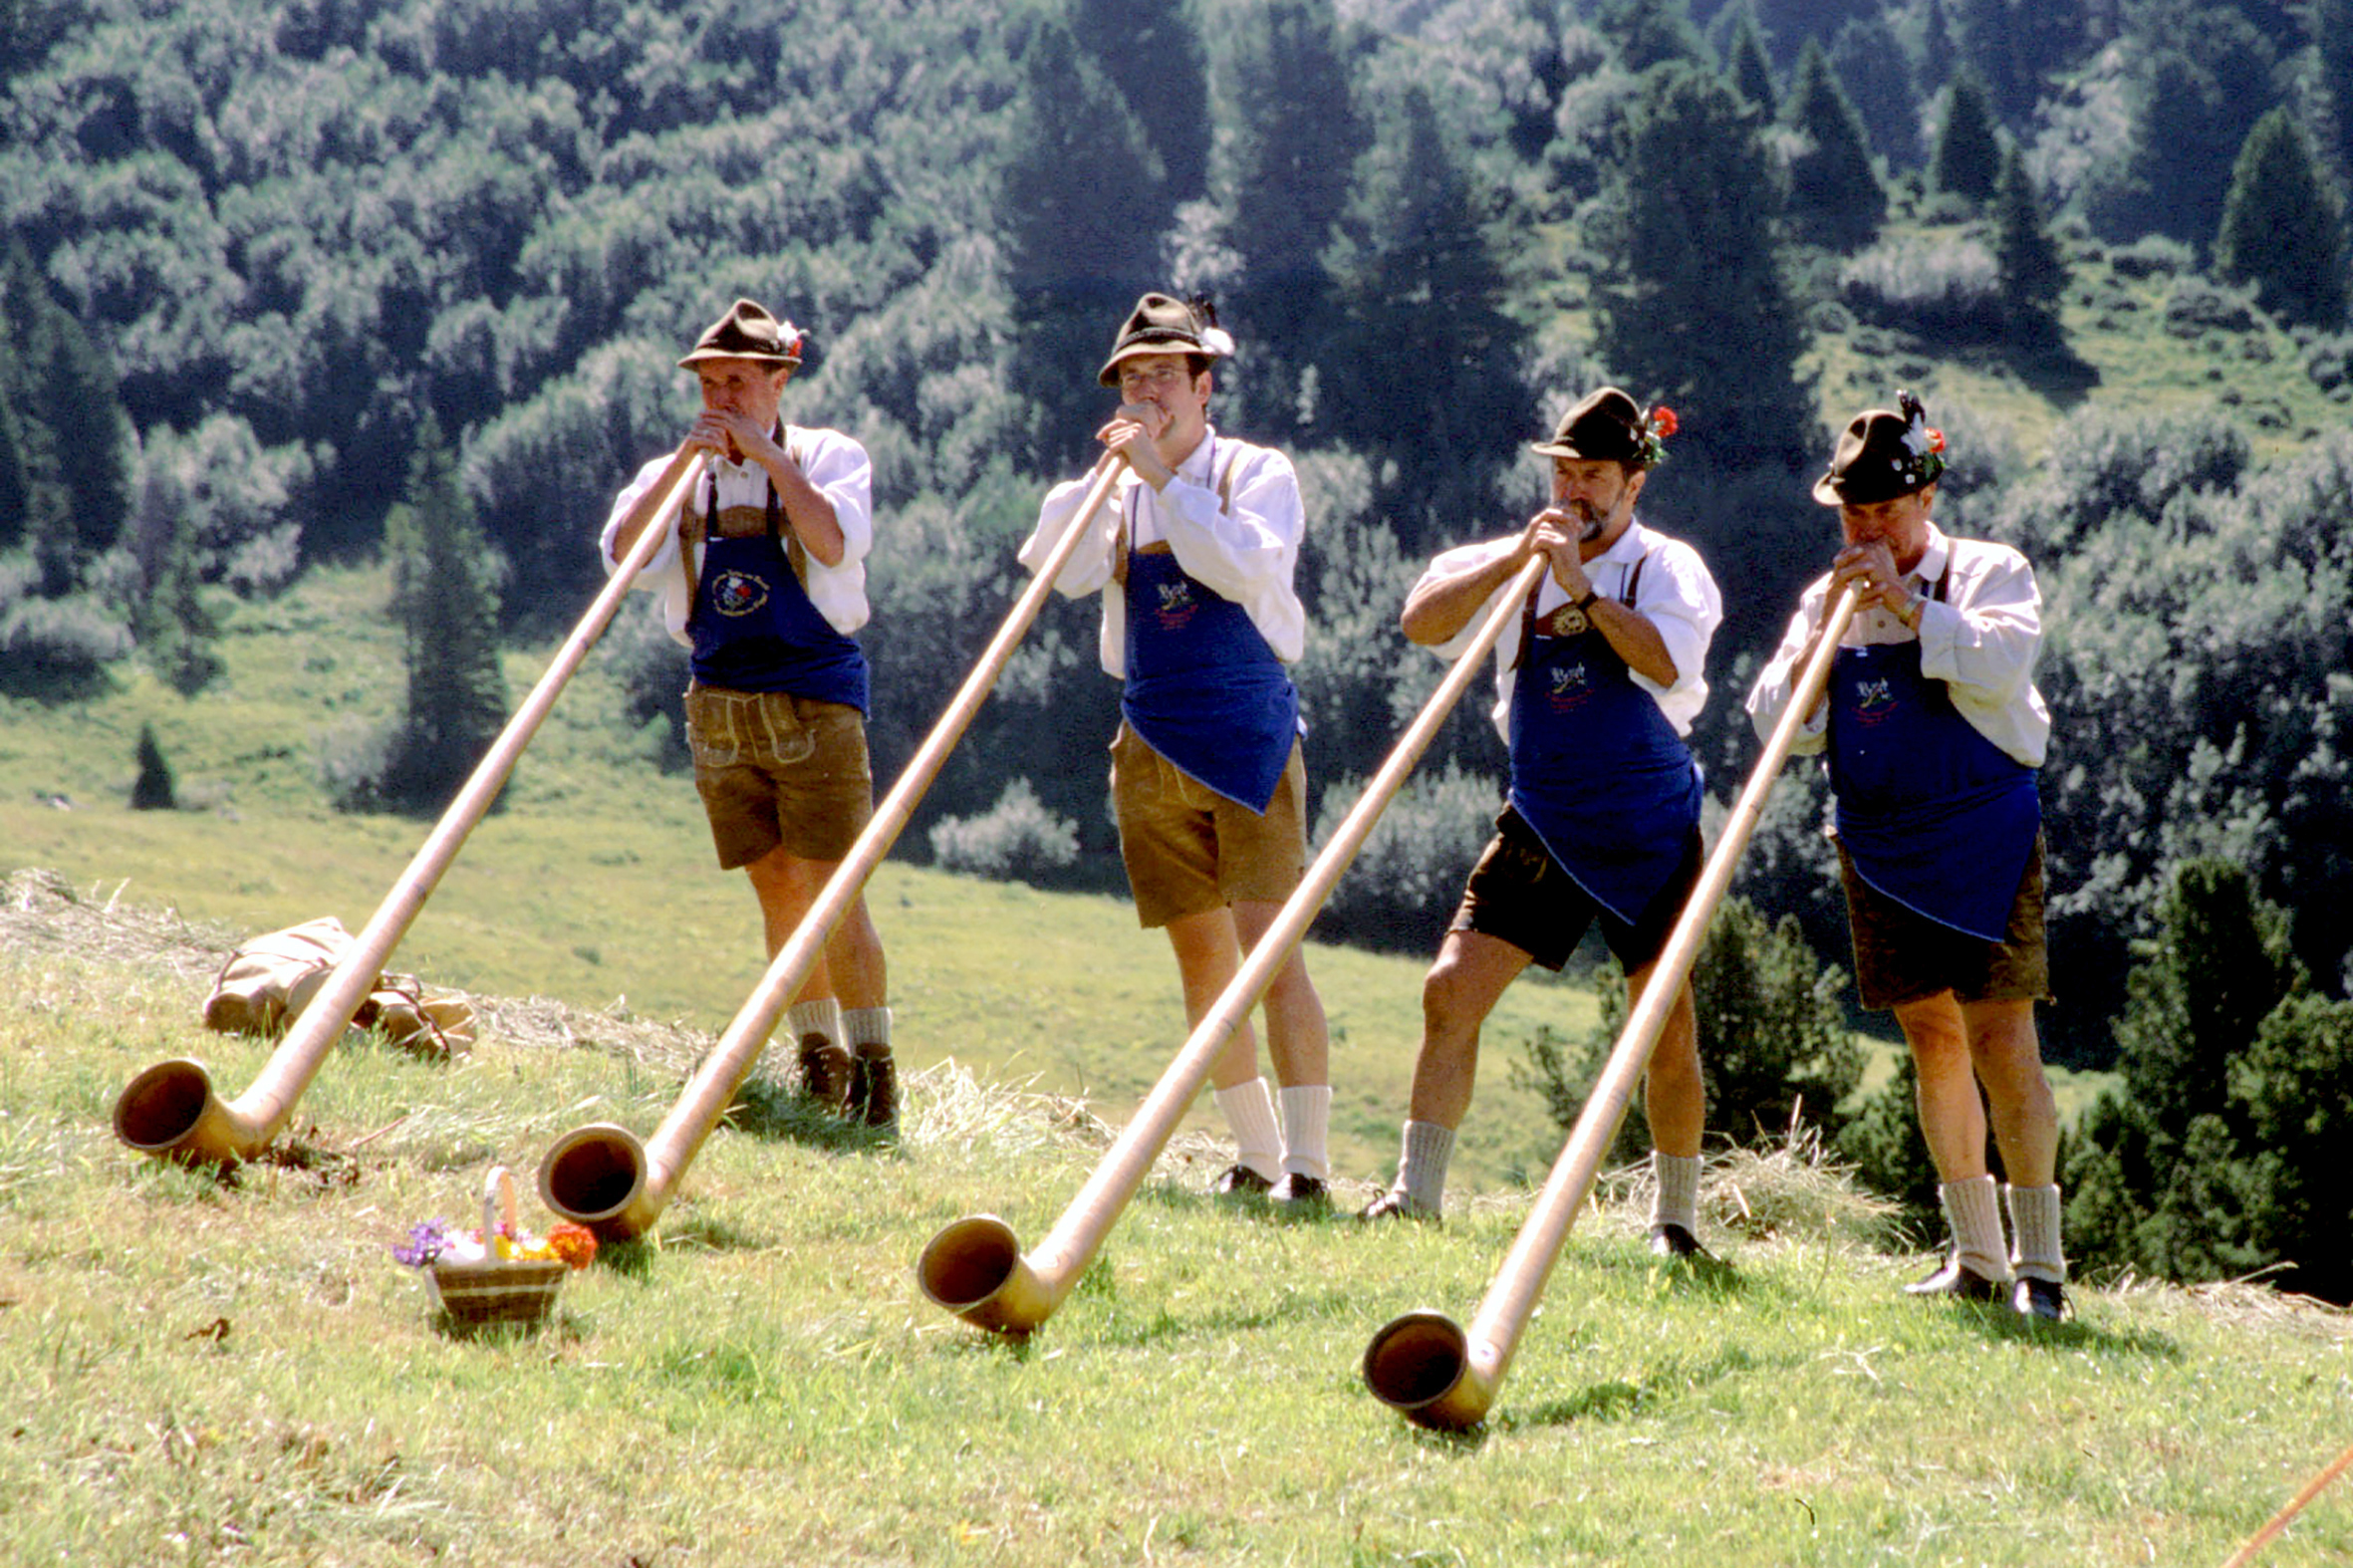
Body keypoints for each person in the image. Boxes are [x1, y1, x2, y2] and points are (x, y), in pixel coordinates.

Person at [1361, 388, 1725, 1257]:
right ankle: (1415, 1196)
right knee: (1450, 990)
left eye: (1593, 474)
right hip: (1545, 816)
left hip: (1646, 826)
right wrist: (1513, 565)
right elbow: (1421, 621)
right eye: (1563, 472)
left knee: (1664, 1025)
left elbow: (1668, 664)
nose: (1573, 491)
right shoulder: (1520, 556)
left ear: (1634, 483)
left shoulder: (1667, 567)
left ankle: (1675, 1224)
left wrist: (1583, 590)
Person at [1744, 392, 2066, 1321]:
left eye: (1886, 511)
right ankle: (1976, 1256)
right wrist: (1818, 640)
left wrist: (1907, 603)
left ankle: (2041, 1268)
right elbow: (1778, 728)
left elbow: (2001, 665)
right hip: (1880, 843)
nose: (1869, 531)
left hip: (1984, 832)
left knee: (2002, 1039)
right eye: (1854, 514)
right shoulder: (1825, 602)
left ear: (1926, 498)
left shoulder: (1990, 570)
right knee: (1931, 1037)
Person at [1018, 292, 1333, 1208]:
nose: (1146, 391)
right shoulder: (1115, 488)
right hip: (1150, 732)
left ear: (1204, 386)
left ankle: (1311, 1168)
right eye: (1131, 378)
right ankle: (1256, 1156)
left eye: (1163, 374)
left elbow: (1240, 567)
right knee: (1202, 957)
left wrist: (1161, 478)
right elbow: (1061, 571)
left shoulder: (1255, 472)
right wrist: (1105, 481)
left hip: (1245, 731)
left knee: (1271, 955)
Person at [601, 298, 897, 1127]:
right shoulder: (679, 472)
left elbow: (834, 542)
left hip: (814, 693)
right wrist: (678, 470)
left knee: (835, 887)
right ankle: (816, 1058)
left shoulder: (829, 455)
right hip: (720, 698)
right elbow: (623, 558)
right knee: (775, 885)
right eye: (708, 383)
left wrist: (768, 458)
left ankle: (875, 1068)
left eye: (736, 381)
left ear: (779, 381)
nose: (720, 397)